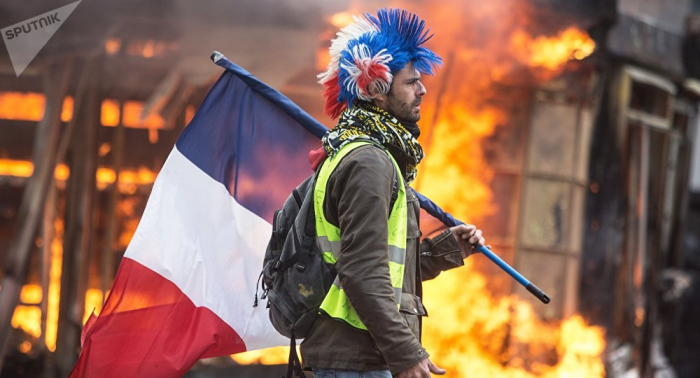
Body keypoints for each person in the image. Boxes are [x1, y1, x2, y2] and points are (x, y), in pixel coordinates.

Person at [302, 8, 487, 378]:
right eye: (410, 82)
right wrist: (406, 353)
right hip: (356, 361)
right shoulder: (368, 162)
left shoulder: (370, 153)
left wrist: (443, 250)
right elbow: (360, 272)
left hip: (358, 356)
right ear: (376, 90)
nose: (422, 89)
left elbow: (377, 264)